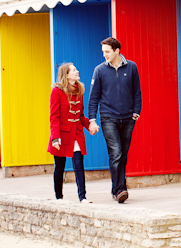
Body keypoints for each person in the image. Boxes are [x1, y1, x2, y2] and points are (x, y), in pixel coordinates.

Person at [88, 37, 142, 203]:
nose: (105, 55)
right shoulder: (100, 70)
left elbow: (137, 92)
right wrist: (92, 119)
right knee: (116, 153)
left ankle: (116, 189)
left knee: (122, 155)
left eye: (107, 52)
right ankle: (120, 190)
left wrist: (135, 113)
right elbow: (93, 97)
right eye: (103, 52)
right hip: (108, 117)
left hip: (127, 118)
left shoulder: (132, 67)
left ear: (117, 50)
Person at [48, 63, 99, 203]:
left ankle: (82, 197)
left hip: (76, 134)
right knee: (59, 167)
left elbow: (81, 115)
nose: (77, 71)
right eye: (74, 70)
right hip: (61, 135)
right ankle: (59, 197)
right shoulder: (57, 92)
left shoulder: (80, 90)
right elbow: (54, 117)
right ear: (67, 75)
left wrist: (90, 126)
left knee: (79, 165)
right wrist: (55, 138)